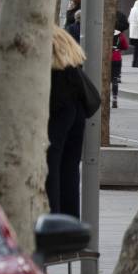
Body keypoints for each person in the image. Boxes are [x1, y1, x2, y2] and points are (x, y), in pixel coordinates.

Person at [47, 26, 95, 218]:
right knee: (69, 168)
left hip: (57, 106)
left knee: (51, 166)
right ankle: (69, 223)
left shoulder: (43, 37)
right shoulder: (62, 38)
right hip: (76, 109)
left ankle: (52, 219)